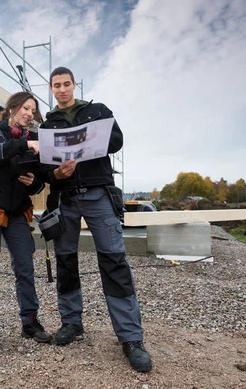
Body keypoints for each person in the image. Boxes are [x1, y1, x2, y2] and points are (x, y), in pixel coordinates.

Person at [39, 66, 152, 373]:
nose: (62, 89)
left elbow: (116, 140)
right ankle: (71, 323)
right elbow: (44, 168)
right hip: (65, 198)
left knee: (114, 261)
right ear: (51, 89)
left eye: (66, 84)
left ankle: (130, 338)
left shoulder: (98, 111)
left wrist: (90, 142)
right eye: (57, 85)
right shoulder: (48, 124)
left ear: (75, 85)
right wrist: (55, 173)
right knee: (65, 261)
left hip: (99, 194)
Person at [0, 91, 52, 352]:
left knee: (25, 269)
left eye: (33, 110)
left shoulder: (34, 139)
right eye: (25, 108)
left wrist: (35, 183)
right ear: (12, 108)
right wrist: (24, 145)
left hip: (18, 213)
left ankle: (30, 322)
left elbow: (40, 179)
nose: (29, 113)